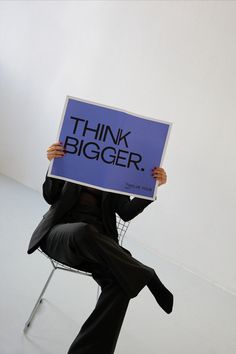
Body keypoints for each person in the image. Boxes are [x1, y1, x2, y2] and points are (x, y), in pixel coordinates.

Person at [27, 141, 174, 354]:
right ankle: (145, 273)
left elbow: (126, 212)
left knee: (121, 285)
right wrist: (53, 165)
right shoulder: (72, 161)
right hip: (60, 234)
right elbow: (50, 196)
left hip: (98, 245)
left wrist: (152, 188)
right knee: (83, 231)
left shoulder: (115, 177)